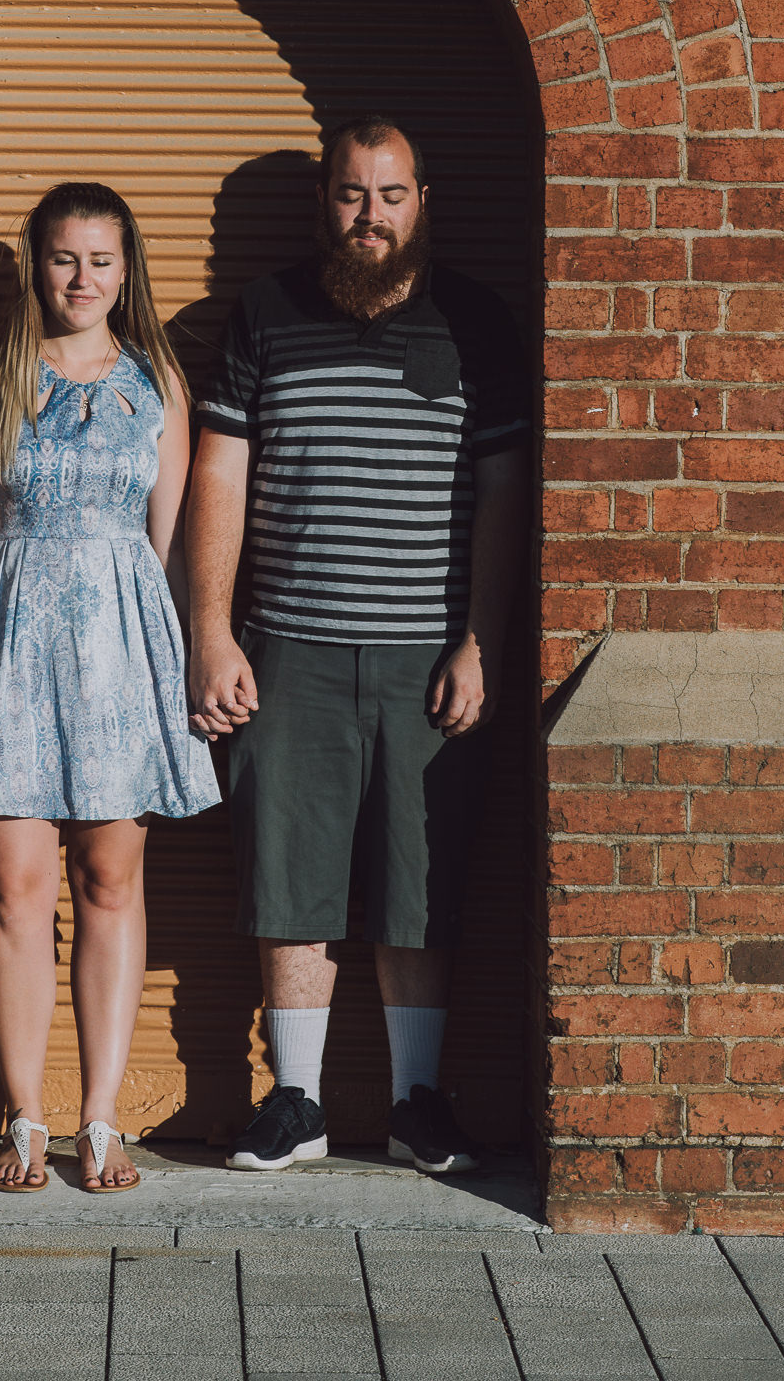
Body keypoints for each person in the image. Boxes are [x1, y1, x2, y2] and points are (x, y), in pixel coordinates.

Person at [187, 117, 530, 1174]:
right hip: (286, 643)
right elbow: (220, 474)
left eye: (388, 193)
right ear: (322, 202)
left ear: (423, 197)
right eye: (348, 193)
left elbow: (505, 491)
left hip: (423, 652)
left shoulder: (475, 321)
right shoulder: (265, 311)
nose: (368, 215)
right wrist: (208, 627)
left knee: (414, 883)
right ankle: (293, 1100)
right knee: (287, 875)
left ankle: (416, 1102)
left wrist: (481, 638)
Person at [0, 181, 220, 1194]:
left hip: (121, 653)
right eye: (63, 257)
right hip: (6, 647)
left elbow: (169, 549)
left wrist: (184, 670)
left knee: (108, 881)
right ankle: (23, 1118)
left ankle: (99, 1120)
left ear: (126, 269)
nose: (82, 276)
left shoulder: (160, 383)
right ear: (33, 264)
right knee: (10, 889)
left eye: (100, 258)